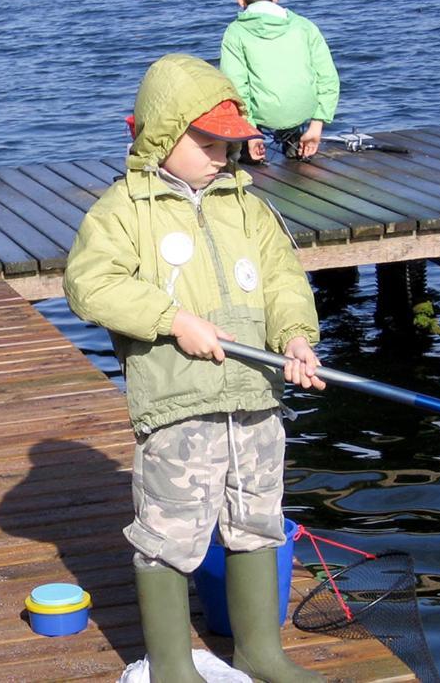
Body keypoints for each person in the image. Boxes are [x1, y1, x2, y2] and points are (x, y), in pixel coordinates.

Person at [64, 53, 324, 683]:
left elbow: (286, 281)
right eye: (206, 142)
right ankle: (172, 667)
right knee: (169, 533)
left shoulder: (249, 206)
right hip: (179, 405)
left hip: (256, 400)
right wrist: (173, 319)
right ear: (161, 135)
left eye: (228, 144)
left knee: (256, 520)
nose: (219, 155)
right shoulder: (126, 208)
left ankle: (261, 651)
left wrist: (296, 337)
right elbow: (89, 284)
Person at [220, 0, 339, 163]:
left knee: (229, 88)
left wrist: (250, 132)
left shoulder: (235, 32)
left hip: (264, 113)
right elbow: (328, 78)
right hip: (303, 109)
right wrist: (317, 125)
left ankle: (251, 145)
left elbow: (236, 87)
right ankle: (294, 141)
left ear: (239, 0)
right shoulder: (304, 26)